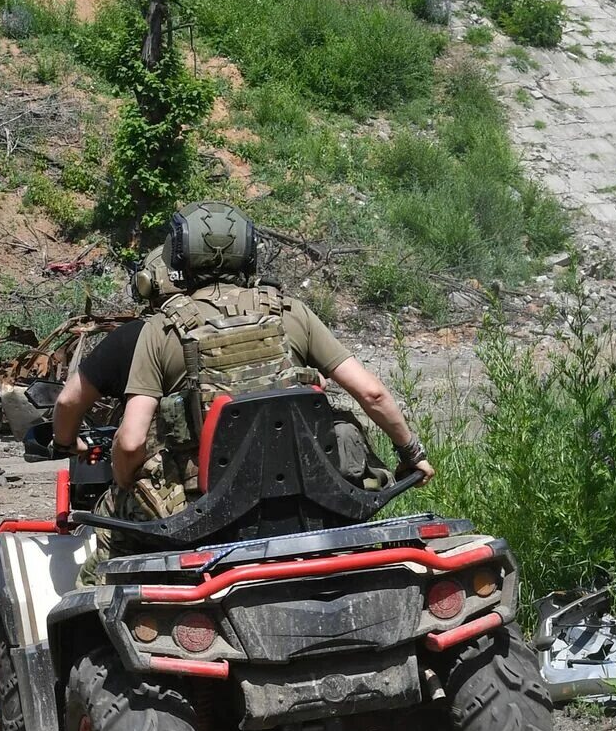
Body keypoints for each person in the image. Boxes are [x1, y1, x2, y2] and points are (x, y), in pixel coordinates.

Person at [110, 202, 435, 523]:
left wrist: (126, 484)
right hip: (314, 492)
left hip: (210, 508)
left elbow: (131, 441)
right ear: (250, 252)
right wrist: (412, 455)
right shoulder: (290, 311)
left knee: (111, 527)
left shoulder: (160, 329)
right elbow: (372, 394)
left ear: (178, 256)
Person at [45, 246, 177, 457]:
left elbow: (68, 401)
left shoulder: (133, 337)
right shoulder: (241, 322)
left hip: (175, 475)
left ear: (146, 283)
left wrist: (65, 444)